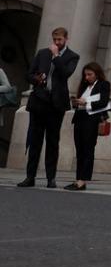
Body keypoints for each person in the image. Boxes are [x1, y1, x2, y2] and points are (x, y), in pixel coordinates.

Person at [19, 25, 79, 188]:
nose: (57, 42)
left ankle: (50, 178)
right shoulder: (42, 53)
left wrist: (56, 55)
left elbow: (66, 73)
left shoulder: (72, 56)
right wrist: (36, 79)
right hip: (39, 100)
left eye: (60, 40)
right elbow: (29, 74)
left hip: (56, 104)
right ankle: (30, 177)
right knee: (35, 140)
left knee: (53, 141)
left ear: (66, 39)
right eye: (54, 40)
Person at [66, 62, 111, 190]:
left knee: (88, 150)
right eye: (85, 75)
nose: (87, 77)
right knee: (79, 150)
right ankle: (78, 179)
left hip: (92, 120)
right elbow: (80, 101)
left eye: (90, 74)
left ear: (97, 74)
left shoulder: (103, 85)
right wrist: (76, 102)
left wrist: (86, 103)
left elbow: (103, 102)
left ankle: (83, 180)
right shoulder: (84, 86)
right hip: (80, 118)